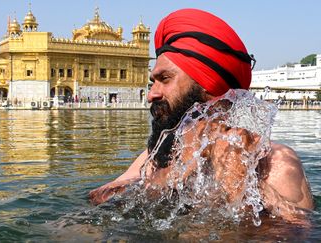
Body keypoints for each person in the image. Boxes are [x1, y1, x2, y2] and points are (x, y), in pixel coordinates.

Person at [89, 8, 313, 221]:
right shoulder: (156, 157)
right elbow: (97, 202)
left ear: (208, 87)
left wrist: (243, 186)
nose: (151, 94)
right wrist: (148, 188)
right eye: (152, 82)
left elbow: (297, 233)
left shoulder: (274, 163)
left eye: (165, 79)